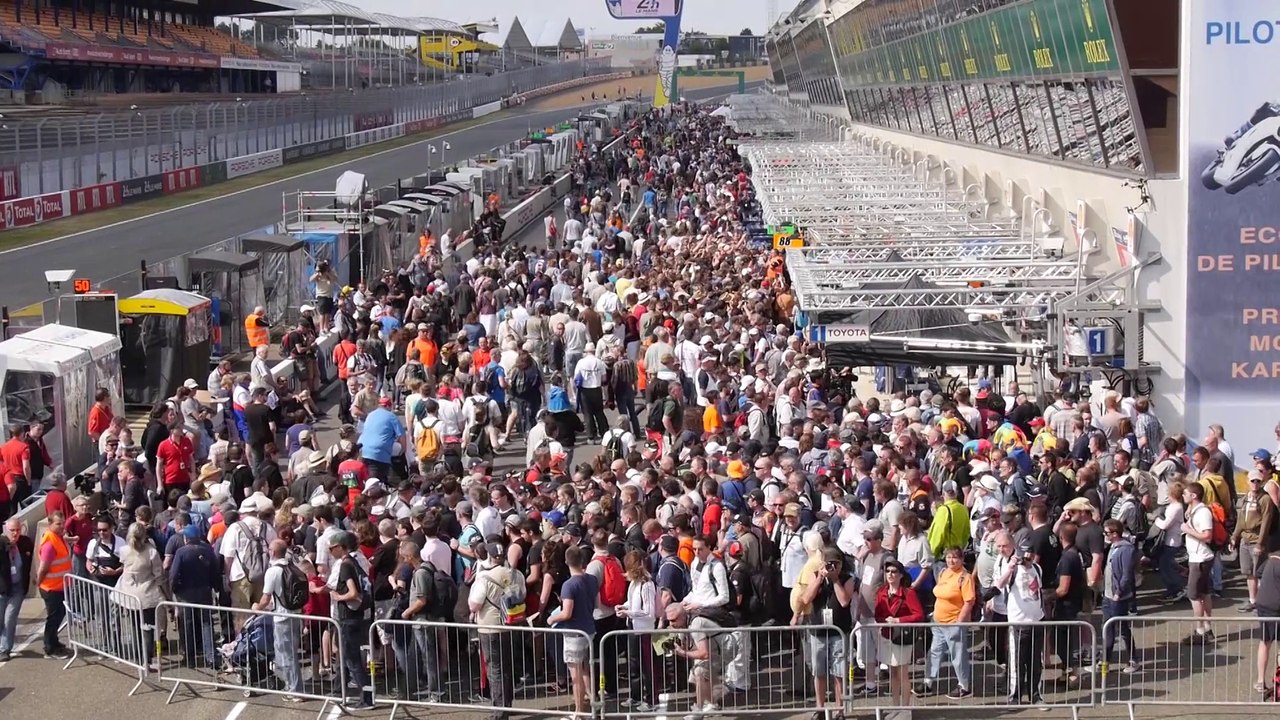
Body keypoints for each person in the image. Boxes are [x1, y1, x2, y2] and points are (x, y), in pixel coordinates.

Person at [797, 546, 856, 716]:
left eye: (835, 563)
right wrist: (820, 579)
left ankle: (839, 709)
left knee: (839, 673)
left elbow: (844, 601)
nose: (831, 567)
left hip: (839, 632)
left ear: (840, 564)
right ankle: (820, 708)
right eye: (828, 563)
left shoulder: (847, 579)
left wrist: (835, 579)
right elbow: (806, 598)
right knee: (819, 672)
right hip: (819, 632)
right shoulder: (815, 575)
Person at [915, 546, 976, 699]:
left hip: (953, 623)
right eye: (948, 557)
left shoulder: (965, 578)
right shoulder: (944, 573)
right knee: (934, 652)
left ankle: (964, 686)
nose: (951, 560)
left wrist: (959, 622)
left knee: (958, 655)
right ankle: (928, 682)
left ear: (962, 559)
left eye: (955, 557)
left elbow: (969, 602)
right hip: (938, 622)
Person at [546, 544, 598, 717]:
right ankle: (593, 701)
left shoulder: (569, 585)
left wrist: (552, 618)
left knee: (575, 674)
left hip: (574, 633)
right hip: (589, 628)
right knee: (584, 669)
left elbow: (566, 613)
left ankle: (579, 712)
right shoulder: (592, 579)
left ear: (567, 562)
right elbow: (596, 604)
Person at [874, 558, 925, 710]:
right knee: (893, 673)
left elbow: (919, 614)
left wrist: (898, 620)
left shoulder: (908, 593)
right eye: (887, 571)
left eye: (894, 571)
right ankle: (896, 706)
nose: (890, 574)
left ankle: (905, 707)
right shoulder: (881, 592)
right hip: (886, 636)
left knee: (903, 673)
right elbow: (877, 614)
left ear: (901, 575)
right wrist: (885, 620)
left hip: (902, 637)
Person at [257, 538, 303, 701]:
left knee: (287, 654)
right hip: (295, 613)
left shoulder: (273, 571)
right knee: (291, 652)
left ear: (272, 552)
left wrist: (257, 608)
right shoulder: (292, 566)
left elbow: (265, 598)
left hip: (282, 617)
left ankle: (295, 689)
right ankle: (293, 685)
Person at [116, 521, 167, 670]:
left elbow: (124, 565)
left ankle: (139, 659)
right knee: (149, 628)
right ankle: (147, 660)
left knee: (134, 626)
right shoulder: (152, 552)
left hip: (129, 595)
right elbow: (159, 575)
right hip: (148, 595)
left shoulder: (124, 550)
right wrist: (165, 593)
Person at [35, 510, 72, 659]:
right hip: (51, 587)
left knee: (58, 616)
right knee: (53, 618)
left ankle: (54, 642)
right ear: (50, 524)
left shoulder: (58, 537)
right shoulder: (50, 543)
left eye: (63, 523)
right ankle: (49, 648)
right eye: (58, 524)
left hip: (59, 586)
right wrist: (39, 582)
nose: (62, 526)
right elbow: (43, 567)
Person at [0, 517, 34, 662]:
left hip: (18, 588)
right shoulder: (1, 544)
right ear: (5, 530)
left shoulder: (25, 542)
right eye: (12, 530)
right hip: (2, 588)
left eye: (18, 530)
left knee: (10, 618)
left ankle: (5, 649)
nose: (15, 533)